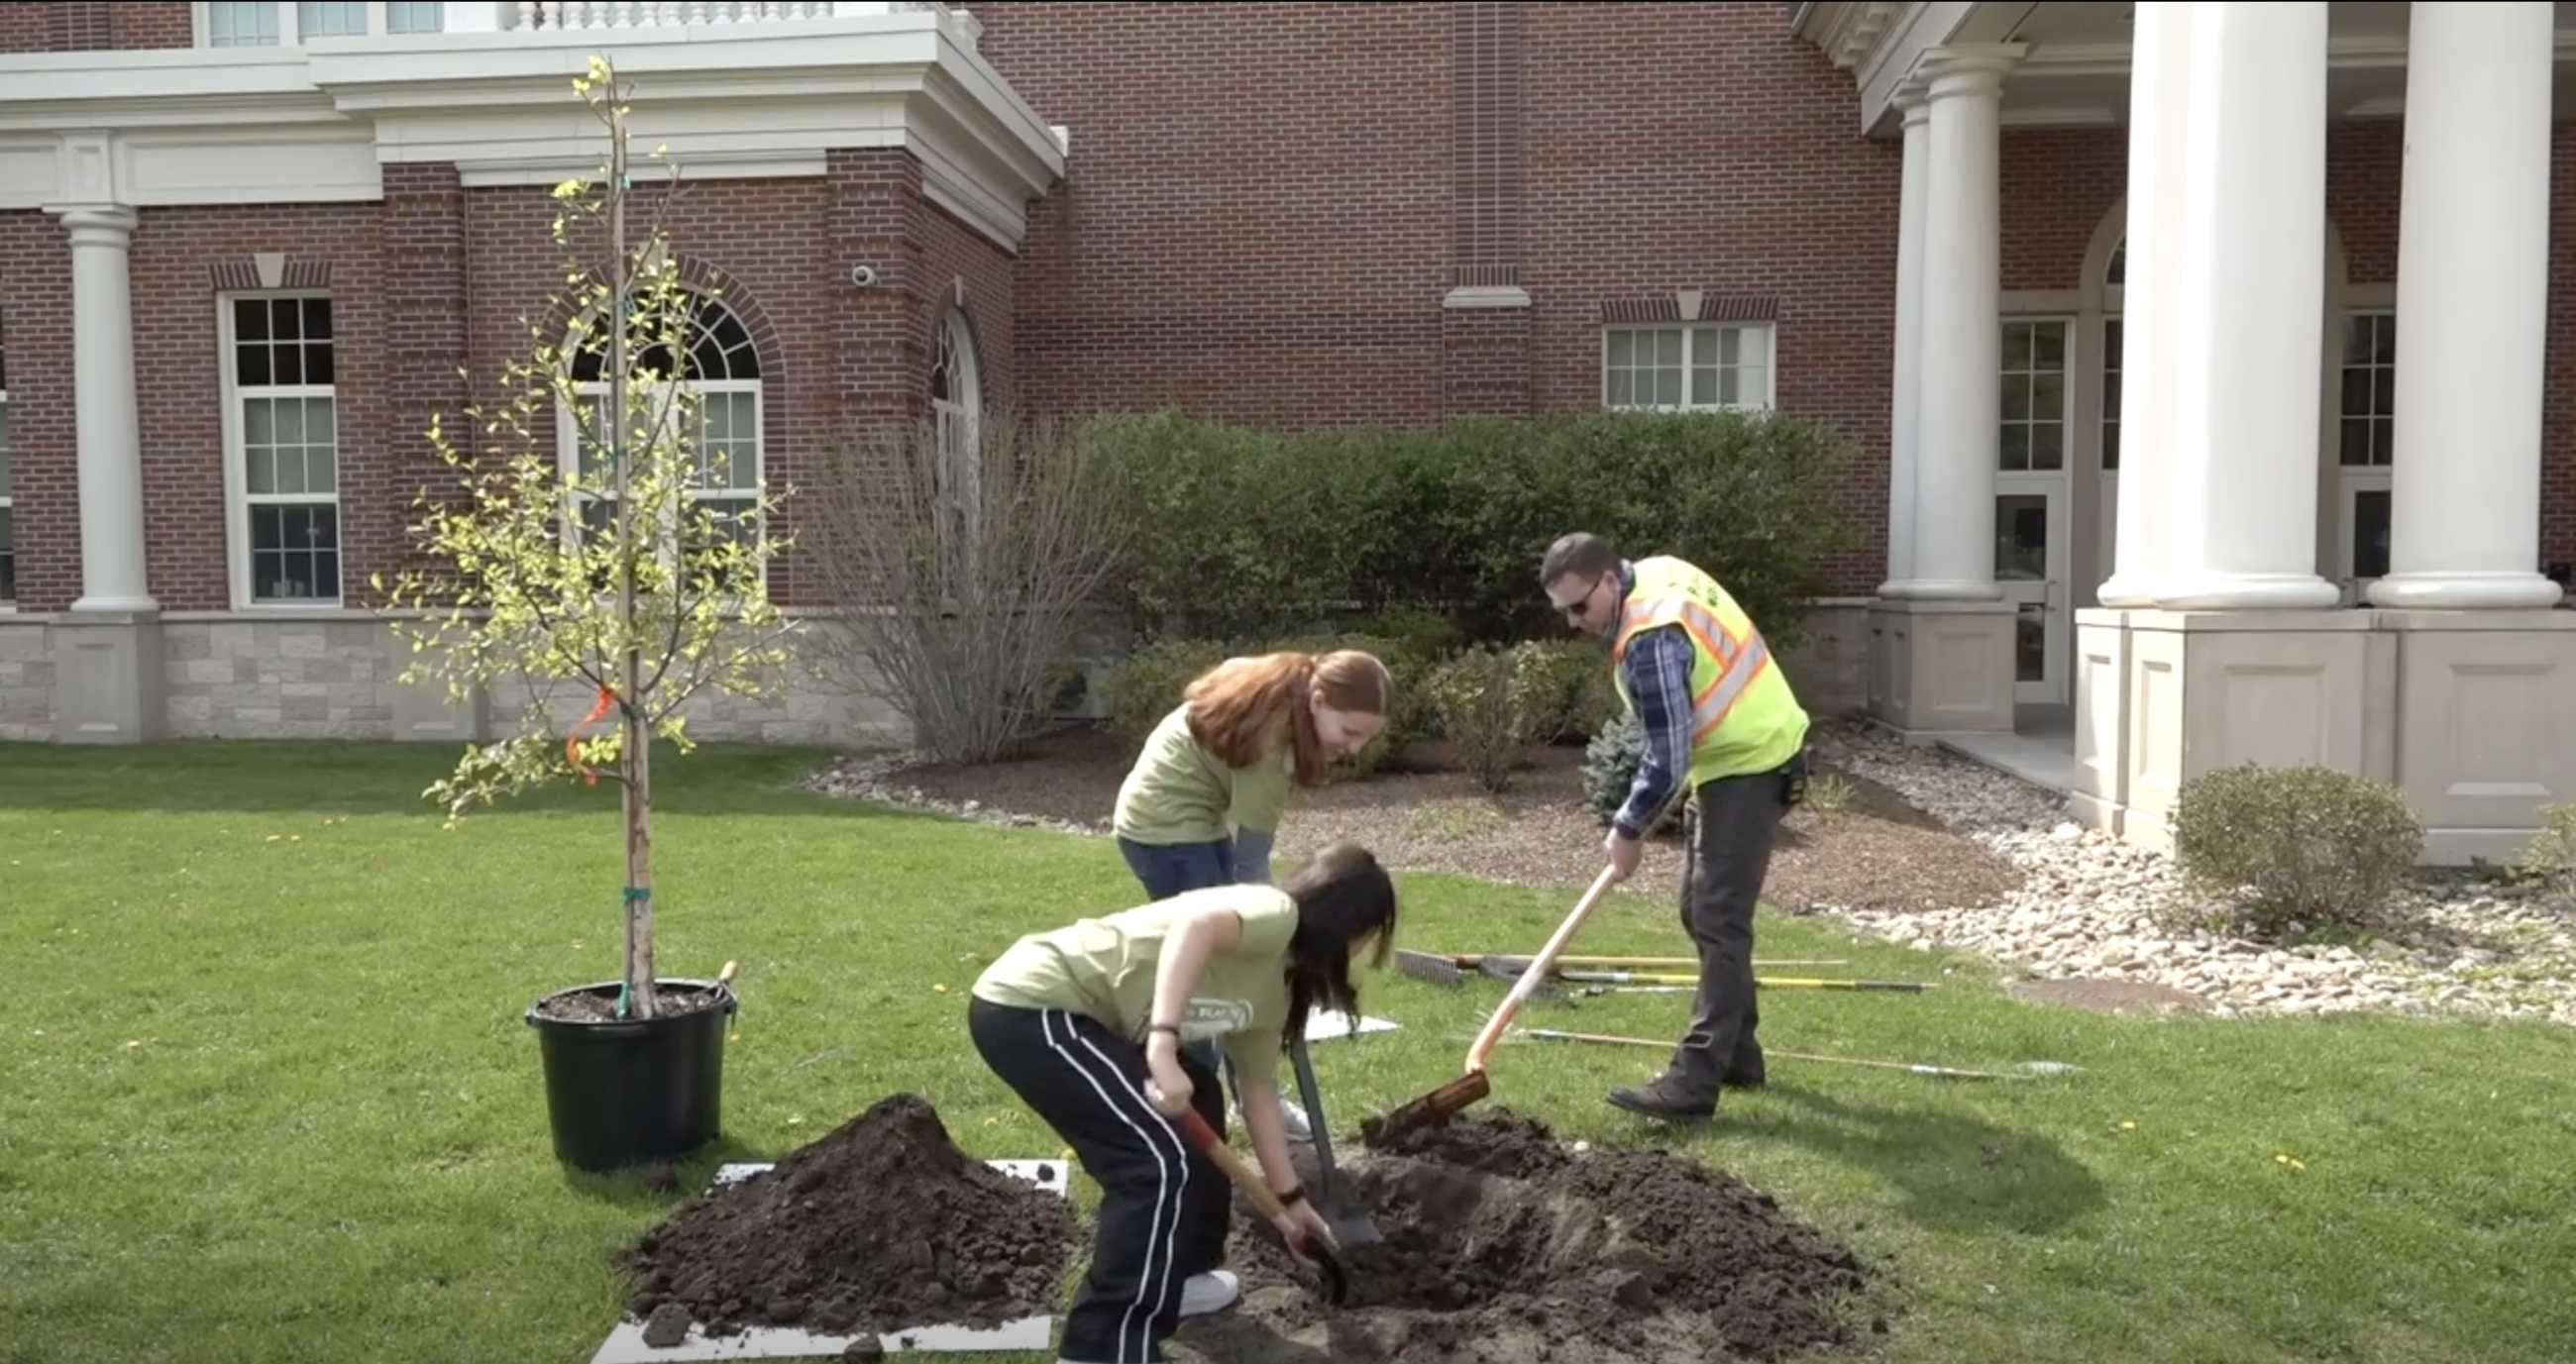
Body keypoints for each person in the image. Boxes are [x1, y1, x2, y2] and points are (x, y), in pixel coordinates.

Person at [968, 843, 1400, 1364]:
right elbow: (1193, 924)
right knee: (1152, 1163)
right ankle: (1100, 1350)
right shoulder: (1272, 913)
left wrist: (1288, 1203)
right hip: (1033, 1005)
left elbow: (1258, 1096)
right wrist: (1163, 1040)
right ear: (1353, 924)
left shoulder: (1279, 990)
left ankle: (1182, 1274)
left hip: (1085, 1022)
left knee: (1204, 1092)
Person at [1539, 532, 1811, 1119]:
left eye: (1579, 607)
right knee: (1702, 910)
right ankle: (1740, 1053)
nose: (1572, 623)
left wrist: (1627, 829)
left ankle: (1695, 1080)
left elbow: (1667, 756)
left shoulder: (1649, 640)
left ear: (1609, 581)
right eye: (1562, 611)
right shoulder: (1658, 571)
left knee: (1717, 916)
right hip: (1743, 752)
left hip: (1752, 761)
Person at [1111, 648, 1392, 1142]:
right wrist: (1282, 933)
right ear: (1319, 700)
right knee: (1216, 971)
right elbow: (1250, 865)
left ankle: (1238, 1097)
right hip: (1167, 830)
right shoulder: (1273, 747)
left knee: (1231, 956)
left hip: (1178, 818)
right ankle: (1200, 1104)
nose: (1353, 750)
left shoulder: (1285, 682)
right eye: (1349, 733)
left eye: (1366, 739)